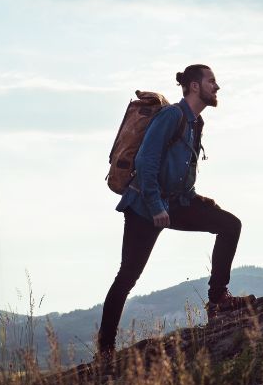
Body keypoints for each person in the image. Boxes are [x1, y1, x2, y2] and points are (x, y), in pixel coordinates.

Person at [97, 64, 252, 359]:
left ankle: (217, 299)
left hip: (176, 203)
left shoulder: (196, 123)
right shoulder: (172, 116)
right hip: (145, 206)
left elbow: (182, 172)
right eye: (211, 81)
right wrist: (155, 205)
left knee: (229, 225)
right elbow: (146, 161)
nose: (216, 87)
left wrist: (198, 201)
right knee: (127, 276)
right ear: (194, 86)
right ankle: (105, 350)